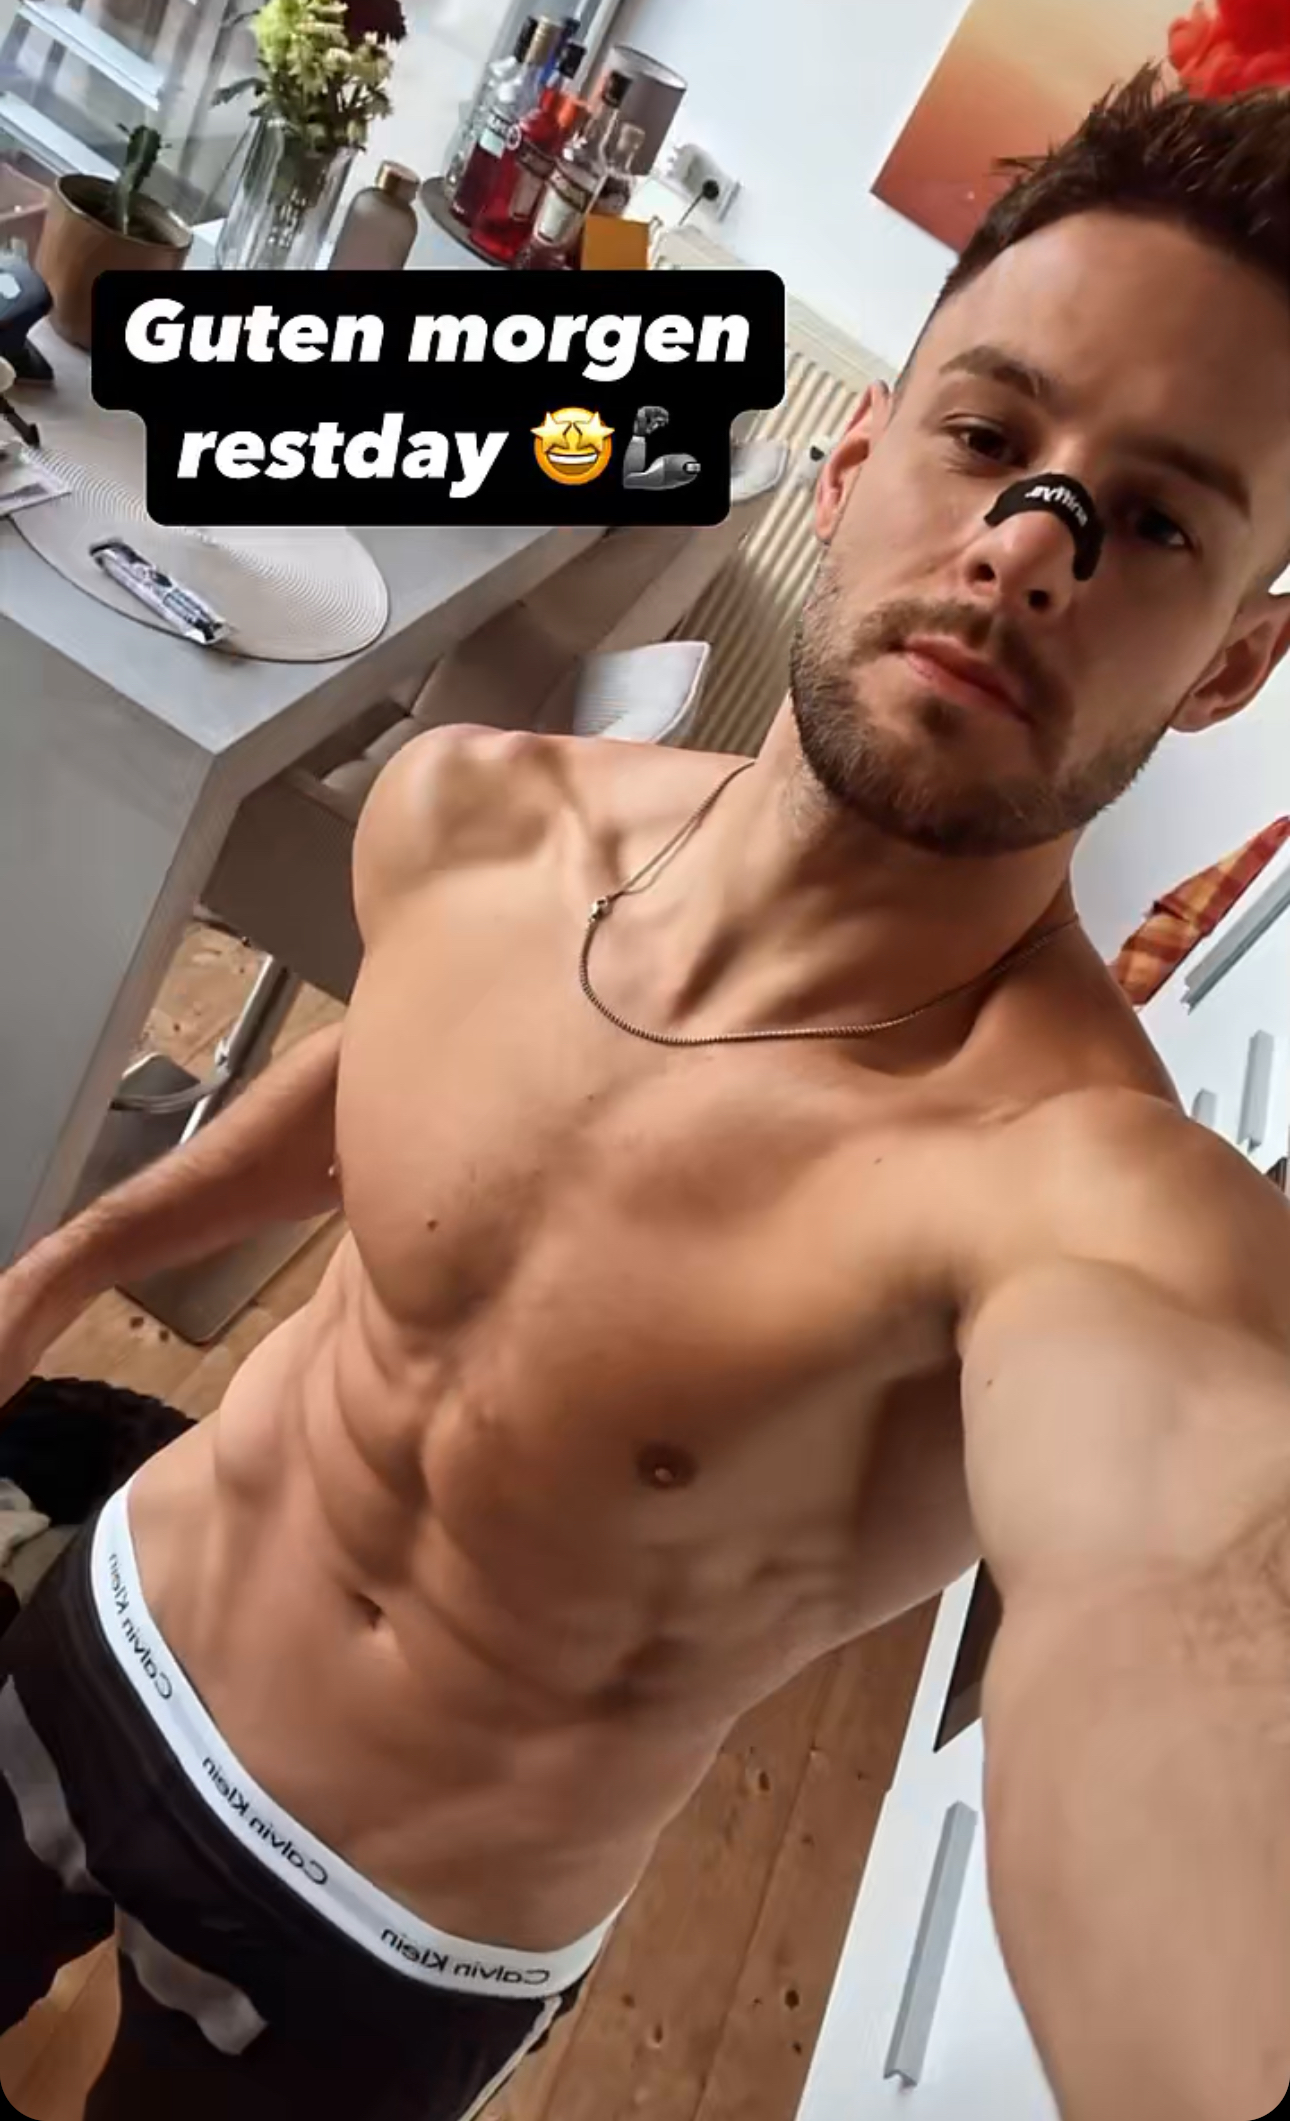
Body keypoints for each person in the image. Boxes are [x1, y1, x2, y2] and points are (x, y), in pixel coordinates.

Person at [3, 63, 1290, 2121]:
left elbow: (1180, 1565)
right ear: (856, 455)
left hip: (384, 1937)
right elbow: (401, 1082)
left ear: (1227, 662)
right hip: (108, 1626)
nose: (1028, 551)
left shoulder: (1076, 1189)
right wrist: (70, 1258)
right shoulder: (479, 817)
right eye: (989, 438)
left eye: (1153, 524)